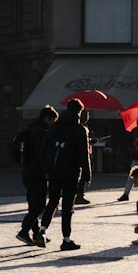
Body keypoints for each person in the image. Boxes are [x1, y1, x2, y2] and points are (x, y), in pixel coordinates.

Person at [39, 98, 89, 250]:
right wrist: (87, 175)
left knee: (53, 201)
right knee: (67, 205)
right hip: (71, 172)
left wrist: (46, 170)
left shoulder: (54, 127)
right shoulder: (80, 130)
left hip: (54, 171)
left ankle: (42, 231)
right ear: (79, 112)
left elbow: (43, 150)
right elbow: (83, 154)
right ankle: (66, 239)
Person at [15, 105, 58, 244]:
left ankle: (35, 233)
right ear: (47, 118)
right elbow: (42, 154)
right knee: (39, 205)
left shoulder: (30, 129)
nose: (53, 124)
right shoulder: (41, 132)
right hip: (37, 173)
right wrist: (48, 171)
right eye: (53, 121)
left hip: (27, 172)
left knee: (33, 203)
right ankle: (24, 231)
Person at [74, 108, 93, 205]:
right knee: (81, 177)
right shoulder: (81, 128)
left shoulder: (83, 127)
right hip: (80, 155)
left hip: (81, 153)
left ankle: (79, 195)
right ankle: (79, 195)